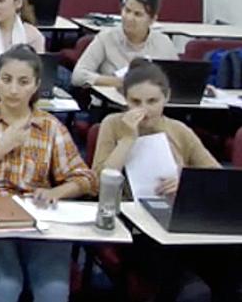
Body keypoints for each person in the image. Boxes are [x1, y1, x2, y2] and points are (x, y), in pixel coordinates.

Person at [0, 44, 96, 302]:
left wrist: (57, 191)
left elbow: (85, 178)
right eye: (6, 80)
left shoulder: (50, 126)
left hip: (39, 221)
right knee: (6, 286)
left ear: (36, 85)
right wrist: (3, 145)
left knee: (53, 290)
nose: (13, 89)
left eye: (23, 81)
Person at [91, 59, 239, 302]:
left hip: (177, 218)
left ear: (166, 98)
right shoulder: (112, 125)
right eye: (135, 102)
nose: (144, 109)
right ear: (124, 99)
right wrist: (128, 140)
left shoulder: (179, 130)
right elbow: (98, 181)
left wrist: (185, 182)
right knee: (185, 285)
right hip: (132, 224)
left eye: (152, 101)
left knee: (229, 263)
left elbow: (216, 179)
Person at [71, 0, 177, 88]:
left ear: (152, 20)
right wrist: (118, 82)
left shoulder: (164, 43)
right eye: (127, 10)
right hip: (110, 103)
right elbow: (78, 76)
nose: (129, 18)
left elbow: (175, 81)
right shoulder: (106, 38)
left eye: (138, 14)